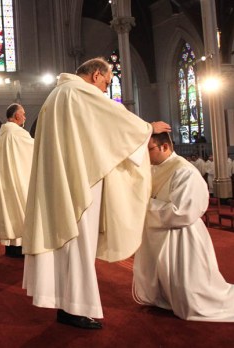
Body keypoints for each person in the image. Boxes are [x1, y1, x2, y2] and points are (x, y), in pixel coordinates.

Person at [22, 57, 171, 329]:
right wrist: (149, 128)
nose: (105, 89)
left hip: (62, 181)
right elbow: (114, 120)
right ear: (96, 75)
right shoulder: (79, 92)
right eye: (107, 82)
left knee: (67, 245)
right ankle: (74, 308)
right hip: (80, 182)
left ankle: (65, 302)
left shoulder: (57, 95)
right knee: (78, 244)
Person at [133, 132, 234, 322]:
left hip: (182, 236)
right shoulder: (155, 168)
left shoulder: (184, 171)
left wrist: (145, 206)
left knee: (187, 290)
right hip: (159, 233)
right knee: (165, 278)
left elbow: (183, 211)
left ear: (164, 146)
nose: (146, 155)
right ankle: (167, 299)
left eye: (149, 149)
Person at [0, 104, 34, 257]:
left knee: (10, 210)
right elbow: (34, 149)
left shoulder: (4, 132)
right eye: (23, 114)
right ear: (16, 116)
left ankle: (11, 246)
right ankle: (20, 246)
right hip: (18, 177)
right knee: (20, 208)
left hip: (7, 178)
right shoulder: (17, 133)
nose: (25, 117)